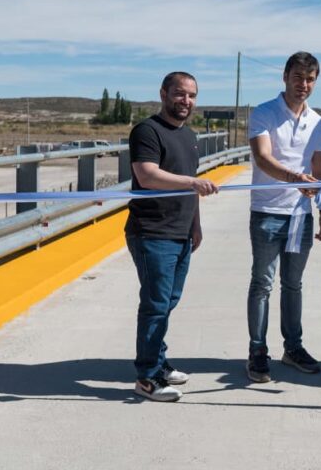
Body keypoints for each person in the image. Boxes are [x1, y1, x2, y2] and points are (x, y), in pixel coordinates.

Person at [125, 71, 218, 402]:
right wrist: (192, 184)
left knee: (166, 303)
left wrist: (196, 224)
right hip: (152, 233)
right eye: (180, 94)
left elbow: (191, 181)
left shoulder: (189, 135)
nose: (186, 101)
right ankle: (147, 378)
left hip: (180, 234)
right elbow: (147, 176)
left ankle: (159, 362)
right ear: (164, 94)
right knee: (155, 305)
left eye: (192, 95)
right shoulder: (147, 131)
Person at [245, 51, 321, 383]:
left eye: (310, 79)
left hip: (300, 217)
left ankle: (292, 348)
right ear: (285, 76)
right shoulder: (264, 113)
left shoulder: (318, 121)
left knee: (293, 285)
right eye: (298, 77)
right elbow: (263, 159)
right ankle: (257, 352)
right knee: (262, 284)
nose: (304, 85)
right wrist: (296, 180)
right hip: (267, 213)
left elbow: (320, 168)